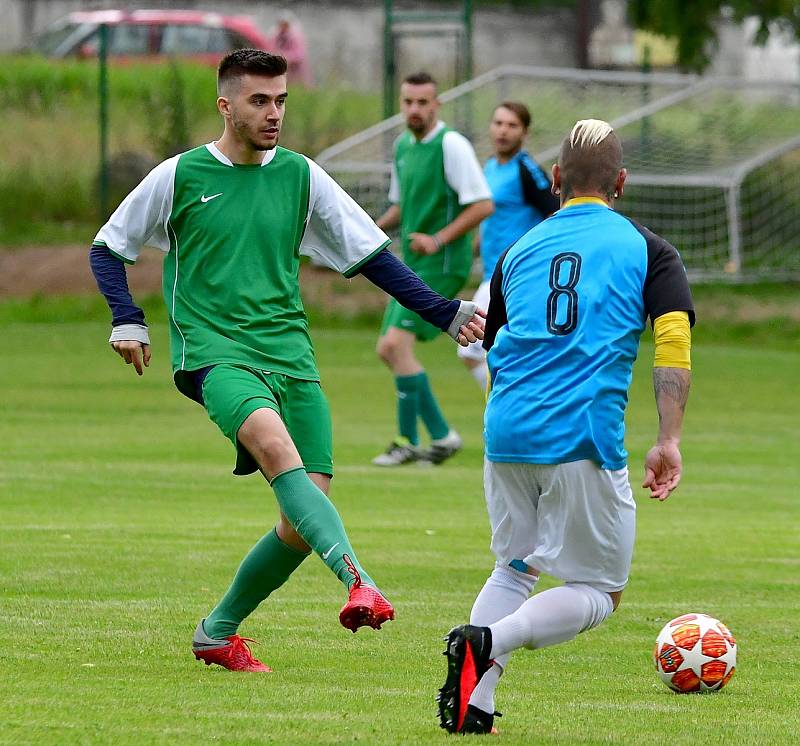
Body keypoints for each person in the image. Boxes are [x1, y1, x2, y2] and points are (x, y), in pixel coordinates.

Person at [88, 49, 484, 673]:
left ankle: (216, 633)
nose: (274, 113)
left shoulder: (301, 175)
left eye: (281, 101)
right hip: (215, 354)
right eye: (259, 101)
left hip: (292, 355)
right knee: (277, 452)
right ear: (225, 104)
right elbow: (109, 248)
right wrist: (127, 318)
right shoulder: (180, 176)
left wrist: (444, 311)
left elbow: (372, 255)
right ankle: (359, 580)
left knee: (301, 521)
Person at [437, 119, 694, 734]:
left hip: (506, 431)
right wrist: (668, 438)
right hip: (581, 436)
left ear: (554, 180)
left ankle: (475, 706)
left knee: (515, 568)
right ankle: (487, 642)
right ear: (621, 183)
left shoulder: (516, 251)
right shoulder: (648, 249)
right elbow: (673, 342)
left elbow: (490, 347)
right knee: (602, 592)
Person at [373, 72, 494, 467]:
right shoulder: (403, 146)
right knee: (388, 349)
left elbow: (481, 205)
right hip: (412, 262)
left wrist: (439, 239)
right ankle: (440, 436)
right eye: (408, 102)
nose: (414, 109)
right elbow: (402, 207)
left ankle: (410, 440)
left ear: (436, 104)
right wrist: (364, 232)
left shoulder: (451, 144)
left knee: (394, 346)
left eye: (423, 102)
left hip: (442, 263)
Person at [459, 101, 559, 390]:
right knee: (490, 350)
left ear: (525, 133)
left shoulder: (526, 169)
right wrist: (471, 250)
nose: (503, 131)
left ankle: (507, 408)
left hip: (518, 277)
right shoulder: (490, 167)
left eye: (512, 125)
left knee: (472, 347)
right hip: (492, 275)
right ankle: (513, 409)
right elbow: (493, 218)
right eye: (499, 123)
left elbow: (555, 213)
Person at [264, 11, 312, 87]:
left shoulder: (296, 35)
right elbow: (269, 49)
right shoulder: (275, 34)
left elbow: (300, 54)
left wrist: (287, 57)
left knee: (297, 86)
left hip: (295, 70)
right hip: (281, 68)